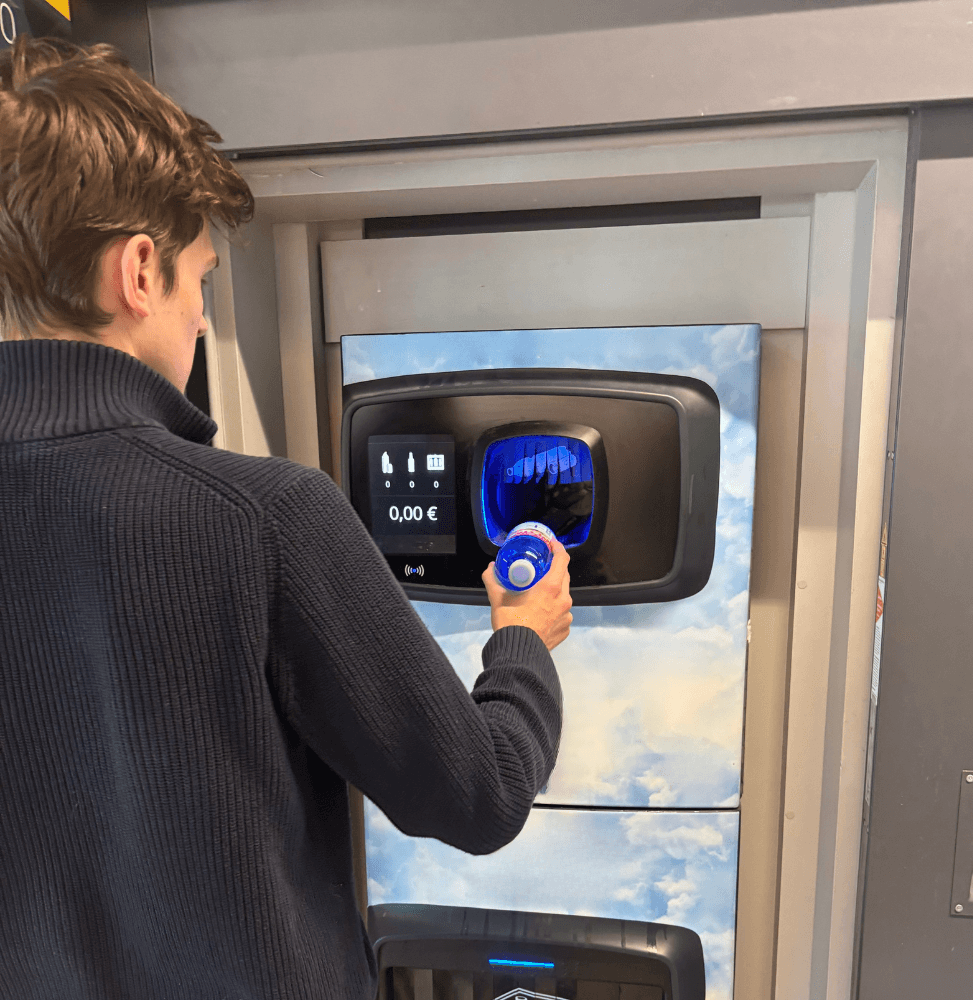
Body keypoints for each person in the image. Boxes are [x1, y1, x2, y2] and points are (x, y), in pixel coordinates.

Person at [0, 36, 572, 999]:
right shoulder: (264, 520)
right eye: (201, 282)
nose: (200, 320)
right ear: (137, 273)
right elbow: (482, 795)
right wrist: (523, 640)